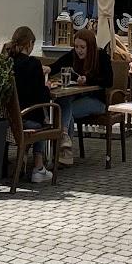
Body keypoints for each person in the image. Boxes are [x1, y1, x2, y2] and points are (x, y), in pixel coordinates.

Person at [48, 27, 111, 166]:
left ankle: (63, 152)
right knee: (63, 102)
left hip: (97, 101)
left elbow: (108, 80)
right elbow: (56, 66)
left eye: (82, 47)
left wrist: (88, 79)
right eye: (76, 46)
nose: (79, 50)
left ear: (91, 46)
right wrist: (47, 69)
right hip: (78, 96)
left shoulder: (101, 56)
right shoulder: (73, 55)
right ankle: (65, 149)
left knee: (64, 112)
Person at [3, 25, 55, 185]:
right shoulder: (33, 64)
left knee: (38, 118)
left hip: (10, 121)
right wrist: (47, 88)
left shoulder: (7, 63)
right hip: (28, 121)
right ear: (29, 44)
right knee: (44, 121)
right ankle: (38, 167)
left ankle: (22, 160)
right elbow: (41, 97)